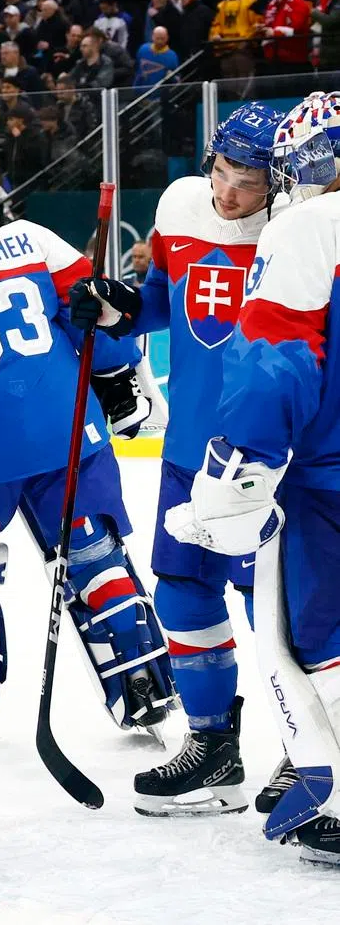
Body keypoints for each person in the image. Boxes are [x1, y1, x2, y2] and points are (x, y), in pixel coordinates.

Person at [0, 179, 171, 749]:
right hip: (71, 433)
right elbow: (101, 319)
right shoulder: (32, 239)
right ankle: (142, 683)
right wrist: (123, 387)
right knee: (95, 557)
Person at [69, 102, 286, 815]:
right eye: (222, 173)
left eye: (248, 182)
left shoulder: (303, 234)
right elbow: (166, 303)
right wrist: (117, 308)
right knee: (183, 594)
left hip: (270, 462)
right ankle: (212, 747)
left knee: (280, 612)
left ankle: (309, 749)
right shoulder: (182, 209)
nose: (229, 194)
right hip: (189, 450)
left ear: (278, 181)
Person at [170, 93, 340, 863]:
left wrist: (240, 470)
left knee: (318, 637)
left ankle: (331, 794)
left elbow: (275, 365)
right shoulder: (186, 217)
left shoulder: (304, 227)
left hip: (324, 478)